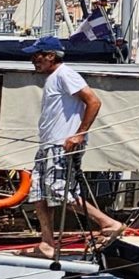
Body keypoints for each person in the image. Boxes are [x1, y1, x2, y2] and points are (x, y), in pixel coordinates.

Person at [23, 36, 126, 258]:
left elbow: (93, 101)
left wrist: (79, 134)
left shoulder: (65, 74)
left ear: (50, 56)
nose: (33, 60)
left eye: (37, 56)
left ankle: (108, 223)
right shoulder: (52, 78)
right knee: (39, 194)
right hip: (48, 145)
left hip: (62, 144)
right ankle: (47, 242)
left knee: (62, 193)